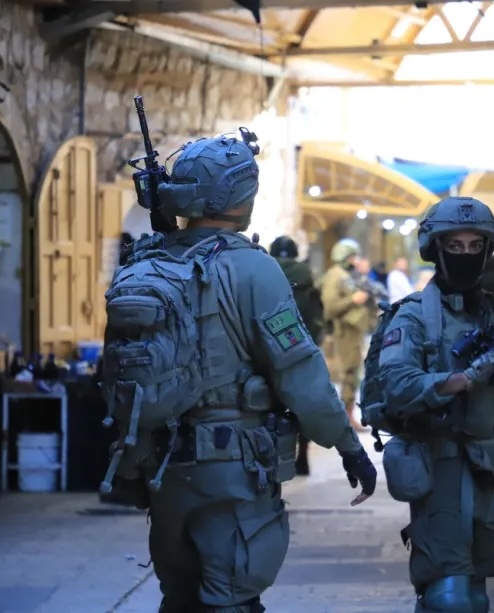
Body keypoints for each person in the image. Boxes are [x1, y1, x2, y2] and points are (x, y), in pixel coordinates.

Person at [106, 132, 377, 613]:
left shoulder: (143, 266)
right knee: (230, 597)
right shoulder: (254, 269)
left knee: (181, 598)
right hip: (232, 472)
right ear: (241, 196)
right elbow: (300, 374)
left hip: (163, 470)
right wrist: (346, 443)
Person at [376, 196, 494, 613]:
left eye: (474, 246)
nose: (465, 255)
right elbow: (396, 385)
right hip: (442, 463)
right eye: (454, 246)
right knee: (451, 595)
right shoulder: (413, 318)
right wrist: (462, 380)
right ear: (436, 250)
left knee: (475, 589)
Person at [269, 235, 324, 477]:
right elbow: (318, 314)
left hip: (269, 352)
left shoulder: (264, 272)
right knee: (303, 404)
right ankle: (302, 457)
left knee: (269, 405)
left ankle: (271, 458)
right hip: (302, 350)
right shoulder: (307, 276)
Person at [320, 238, 371, 431]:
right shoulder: (335, 276)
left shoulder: (345, 275)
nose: (355, 260)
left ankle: (348, 415)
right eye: (352, 256)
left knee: (353, 375)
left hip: (353, 333)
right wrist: (353, 299)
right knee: (347, 375)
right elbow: (330, 308)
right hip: (343, 333)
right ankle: (345, 418)